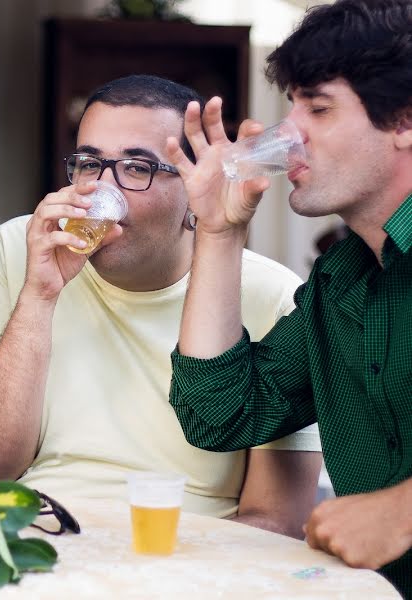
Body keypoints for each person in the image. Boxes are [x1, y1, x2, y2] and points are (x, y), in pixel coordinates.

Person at [0, 74, 322, 537]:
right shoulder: (21, 247)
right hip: (40, 532)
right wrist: (40, 294)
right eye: (89, 163)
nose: (100, 191)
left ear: (196, 192)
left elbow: (276, 519)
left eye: (136, 168)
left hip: (187, 550)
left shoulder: (272, 294)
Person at [166, 0, 411, 594]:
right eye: (291, 106)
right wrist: (220, 236)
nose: (286, 135)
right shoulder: (341, 281)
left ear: (404, 120)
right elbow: (220, 414)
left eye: (318, 108)